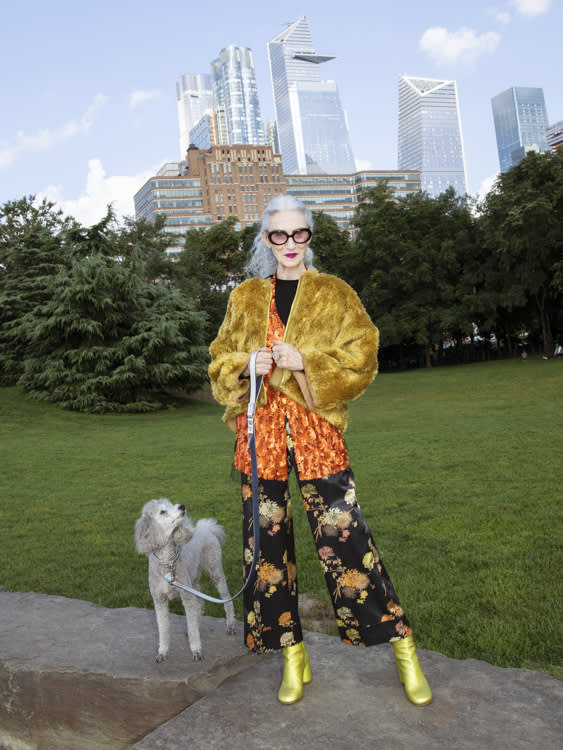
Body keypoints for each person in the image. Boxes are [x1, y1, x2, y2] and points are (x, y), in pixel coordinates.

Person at [208, 195, 432, 706]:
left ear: (310, 236)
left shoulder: (334, 293)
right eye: (279, 236)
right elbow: (219, 357)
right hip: (260, 434)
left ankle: (402, 646)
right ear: (266, 240)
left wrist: (304, 359)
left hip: (316, 434)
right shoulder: (245, 296)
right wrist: (249, 363)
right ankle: (291, 654)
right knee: (266, 552)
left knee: (348, 542)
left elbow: (363, 354)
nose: (289, 245)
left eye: (299, 234)